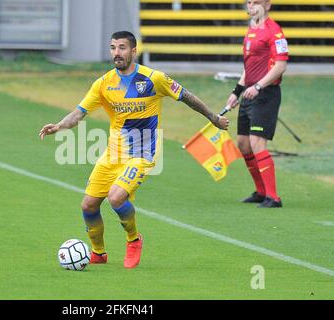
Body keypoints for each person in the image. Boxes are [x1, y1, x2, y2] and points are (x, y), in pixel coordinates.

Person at [39, 31, 230, 268]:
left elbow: (186, 95)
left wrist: (212, 117)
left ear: (133, 50)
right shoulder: (104, 83)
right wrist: (59, 126)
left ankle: (133, 239)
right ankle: (99, 253)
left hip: (142, 154)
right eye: (112, 47)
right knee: (88, 205)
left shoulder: (154, 78)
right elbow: (79, 112)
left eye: (121, 47)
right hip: (113, 154)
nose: (116, 53)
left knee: (116, 197)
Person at [226, 0, 288, 208]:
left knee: (257, 142)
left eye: (256, 3)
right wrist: (237, 91)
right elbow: (250, 66)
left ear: (267, 5)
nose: (251, 6)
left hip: (266, 93)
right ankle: (261, 192)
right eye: (249, 3)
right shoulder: (251, 29)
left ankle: (274, 197)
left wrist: (259, 86)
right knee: (243, 144)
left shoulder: (275, 32)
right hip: (249, 93)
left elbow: (280, 66)